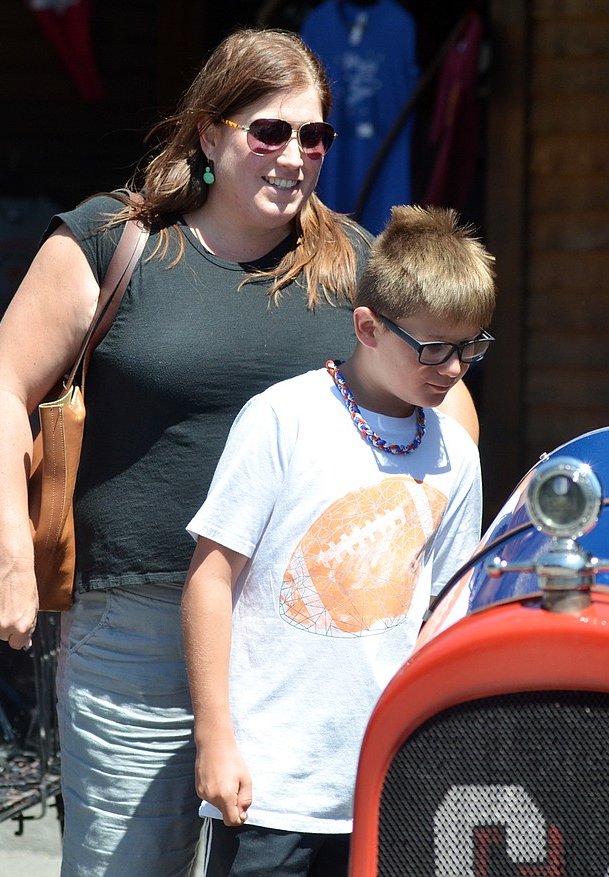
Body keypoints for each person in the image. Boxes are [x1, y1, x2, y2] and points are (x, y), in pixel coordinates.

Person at [0, 29, 476, 877]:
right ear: (209, 133)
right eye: (268, 132)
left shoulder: (352, 262)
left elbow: (449, 397)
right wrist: (13, 559)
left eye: (314, 136)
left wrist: (400, 540)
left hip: (309, 635)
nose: (294, 155)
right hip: (141, 624)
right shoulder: (113, 241)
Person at [182, 204, 495, 876]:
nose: (454, 367)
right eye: (433, 347)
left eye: (470, 347)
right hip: (269, 787)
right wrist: (214, 735)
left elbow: (446, 613)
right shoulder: (283, 418)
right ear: (366, 326)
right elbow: (210, 578)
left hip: (383, 786)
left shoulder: (456, 456)